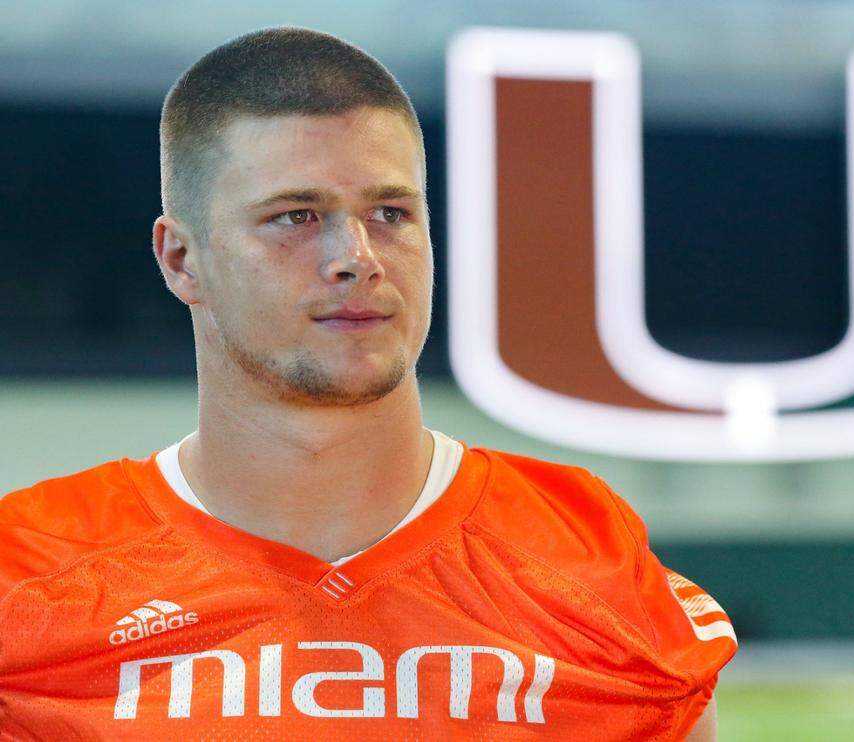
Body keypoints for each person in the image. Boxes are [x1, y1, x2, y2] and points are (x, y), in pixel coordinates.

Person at [0, 27, 735, 738]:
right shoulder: (30, 580)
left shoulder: (589, 562)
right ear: (181, 260)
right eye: (295, 216)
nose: (356, 257)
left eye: (390, 213)